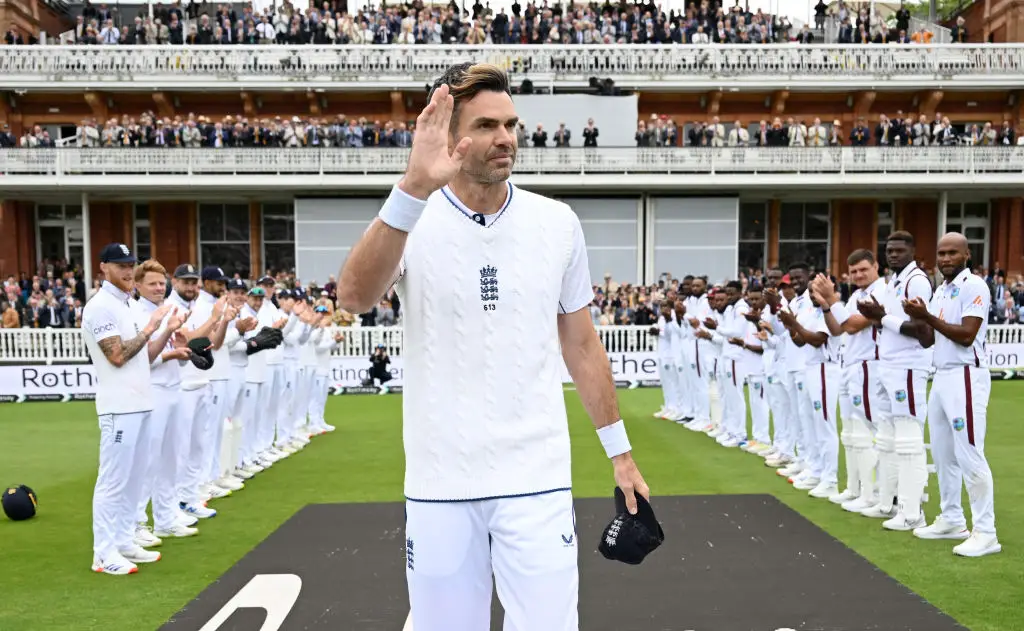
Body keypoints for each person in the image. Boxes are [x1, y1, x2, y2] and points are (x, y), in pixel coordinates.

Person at [337, 62, 649, 631]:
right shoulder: (412, 215)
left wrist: (620, 455)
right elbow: (354, 297)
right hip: (440, 482)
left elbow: (581, 345)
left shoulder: (556, 222)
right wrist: (410, 188)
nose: (505, 138)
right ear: (450, 135)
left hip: (538, 475)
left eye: (510, 123)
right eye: (486, 125)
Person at [903, 232, 1000, 557]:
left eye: (952, 253)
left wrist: (928, 316)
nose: (945, 258)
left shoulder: (973, 286)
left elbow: (967, 336)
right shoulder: (942, 290)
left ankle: (986, 532)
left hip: (965, 376)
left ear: (966, 255)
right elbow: (931, 340)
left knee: (970, 453)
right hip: (941, 376)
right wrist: (918, 318)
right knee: (943, 454)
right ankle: (951, 518)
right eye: (941, 253)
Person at [82, 243, 169, 575]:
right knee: (114, 480)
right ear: (104, 267)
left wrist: (164, 330)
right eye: (120, 265)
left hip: (141, 402)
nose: (128, 270)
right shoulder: (100, 306)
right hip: (119, 407)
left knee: (135, 477)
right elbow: (116, 356)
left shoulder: (128, 305)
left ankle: (122, 540)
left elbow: (143, 356)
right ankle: (102, 554)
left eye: (131, 264)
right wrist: (151, 327)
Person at [854, 231, 933, 530]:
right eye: (889, 250)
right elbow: (886, 320)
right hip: (888, 364)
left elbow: (921, 330)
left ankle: (913, 512)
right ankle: (887, 503)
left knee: (909, 440)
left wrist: (881, 317)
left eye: (900, 250)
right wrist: (876, 316)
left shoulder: (917, 281)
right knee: (887, 438)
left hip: (908, 365)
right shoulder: (894, 282)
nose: (893, 255)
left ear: (912, 251)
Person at [812, 249, 885, 513]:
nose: (858, 275)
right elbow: (837, 328)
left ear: (876, 266)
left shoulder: (882, 291)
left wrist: (832, 299)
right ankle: (859, 488)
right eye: (853, 271)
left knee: (876, 431)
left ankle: (881, 493)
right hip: (851, 365)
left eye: (863, 269)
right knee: (854, 433)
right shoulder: (856, 295)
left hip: (870, 365)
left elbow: (854, 325)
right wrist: (826, 305)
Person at [132, 259, 198, 544]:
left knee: (172, 457)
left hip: (173, 387)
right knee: (148, 461)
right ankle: (136, 523)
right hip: (152, 391)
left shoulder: (170, 310)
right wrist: (171, 351)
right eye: (152, 284)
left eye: (162, 283)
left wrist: (180, 349)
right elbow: (141, 359)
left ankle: (166, 517)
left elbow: (177, 358)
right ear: (138, 286)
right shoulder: (136, 313)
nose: (159, 288)